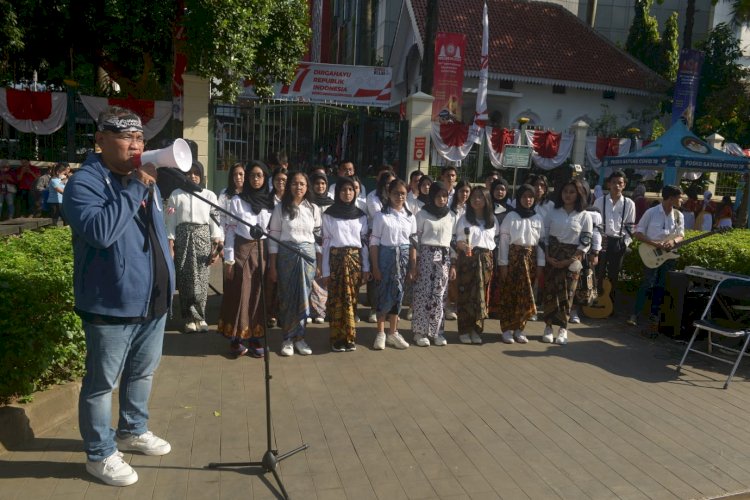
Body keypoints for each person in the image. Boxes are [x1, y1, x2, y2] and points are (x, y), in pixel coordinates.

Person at [62, 106, 174, 487]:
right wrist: (136, 188)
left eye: (140, 137)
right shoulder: (85, 183)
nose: (135, 144)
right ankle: (98, 453)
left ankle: (131, 429)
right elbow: (101, 232)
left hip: (152, 300)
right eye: (126, 137)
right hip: (111, 303)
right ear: (100, 140)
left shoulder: (145, 181)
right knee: (101, 384)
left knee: (143, 371)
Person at [218, 161, 274, 358]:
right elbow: (230, 230)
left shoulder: (270, 202)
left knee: (258, 294)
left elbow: (272, 231)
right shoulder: (237, 201)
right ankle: (236, 338)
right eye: (252, 176)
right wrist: (230, 258)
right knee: (240, 292)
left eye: (259, 175)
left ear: (265, 178)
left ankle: (255, 337)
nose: (255, 179)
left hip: (262, 251)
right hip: (242, 250)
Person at [165, 161, 223, 333]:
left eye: (196, 173)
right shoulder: (176, 195)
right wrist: (171, 243)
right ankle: (189, 319)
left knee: (202, 278)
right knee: (186, 279)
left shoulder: (209, 195)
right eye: (189, 173)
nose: (193, 176)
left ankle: (201, 317)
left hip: (203, 237)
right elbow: (170, 222)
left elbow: (215, 221)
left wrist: (217, 244)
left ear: (202, 175)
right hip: (183, 238)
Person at [268, 171, 322, 356]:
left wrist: (320, 263)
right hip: (286, 257)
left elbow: (318, 239)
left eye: (302, 184)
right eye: (295, 183)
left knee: (304, 296)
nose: (298, 187)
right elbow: (273, 238)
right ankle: (287, 339)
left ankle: (300, 338)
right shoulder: (279, 208)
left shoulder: (314, 208)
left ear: (307, 187)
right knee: (288, 297)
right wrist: (273, 265)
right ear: (289, 186)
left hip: (307, 258)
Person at [541, 178, 592, 345]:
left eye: (572, 192)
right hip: (552, 257)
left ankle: (563, 328)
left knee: (568, 294)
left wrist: (570, 259)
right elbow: (545, 236)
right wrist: (548, 256)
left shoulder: (585, 216)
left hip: (572, 260)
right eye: (565, 192)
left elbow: (585, 241)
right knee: (550, 292)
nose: (568, 195)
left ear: (578, 194)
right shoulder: (552, 212)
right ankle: (548, 327)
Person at [321, 177, 370, 351]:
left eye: (350, 190)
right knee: (336, 300)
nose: (347, 193)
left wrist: (366, 268)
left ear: (355, 192)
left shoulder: (360, 216)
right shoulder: (328, 214)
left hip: (354, 261)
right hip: (335, 261)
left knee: (351, 299)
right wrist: (325, 271)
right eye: (343, 190)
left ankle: (350, 338)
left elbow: (364, 243)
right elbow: (326, 243)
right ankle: (336, 339)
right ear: (337, 192)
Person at [627, 185, 685, 327]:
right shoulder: (651, 213)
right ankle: (635, 314)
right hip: (651, 254)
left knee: (661, 285)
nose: (681, 200)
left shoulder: (679, 215)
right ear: (671, 198)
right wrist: (656, 244)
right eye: (679, 198)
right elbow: (638, 233)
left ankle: (654, 315)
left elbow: (681, 235)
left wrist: (673, 241)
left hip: (668, 256)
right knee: (647, 283)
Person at [370, 178, 416, 350]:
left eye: (403, 193)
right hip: (385, 259)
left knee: (398, 295)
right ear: (389, 194)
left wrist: (412, 266)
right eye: (396, 193)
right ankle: (380, 333)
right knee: (383, 293)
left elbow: (413, 244)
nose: (399, 197)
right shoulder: (381, 217)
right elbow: (374, 243)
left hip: (403, 261)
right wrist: (375, 266)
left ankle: (393, 332)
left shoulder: (410, 218)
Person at [497, 184, 545, 344]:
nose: (528, 200)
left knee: (525, 295)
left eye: (531, 196)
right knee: (510, 294)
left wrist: (540, 265)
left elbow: (541, 244)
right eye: (524, 196)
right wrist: (503, 264)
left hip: (530, 261)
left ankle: (519, 329)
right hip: (513, 260)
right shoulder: (511, 216)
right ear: (518, 198)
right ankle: (507, 329)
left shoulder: (538, 218)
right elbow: (503, 242)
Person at [412, 181, 456, 346]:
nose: (442, 199)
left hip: (444, 259)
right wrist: (414, 264)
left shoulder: (451, 216)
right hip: (425, 257)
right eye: (438, 196)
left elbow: (453, 241)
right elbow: (415, 240)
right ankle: (420, 331)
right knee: (423, 294)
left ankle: (436, 331)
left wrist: (454, 265)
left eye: (444, 196)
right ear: (432, 196)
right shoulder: (422, 214)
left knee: (439, 295)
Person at [454, 186, 498, 344]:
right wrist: (463, 246)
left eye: (480, 197)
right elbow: (457, 240)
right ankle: (464, 330)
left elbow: (495, 241)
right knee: (466, 295)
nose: (476, 200)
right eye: (474, 197)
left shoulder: (492, 220)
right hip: (468, 260)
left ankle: (476, 330)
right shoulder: (464, 218)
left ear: (486, 200)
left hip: (485, 260)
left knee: (481, 296)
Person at [592, 171, 635, 315]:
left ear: (624, 185)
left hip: (618, 241)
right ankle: (593, 301)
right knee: (598, 272)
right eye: (614, 182)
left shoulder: (629, 203)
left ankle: (610, 306)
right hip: (602, 240)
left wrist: (625, 243)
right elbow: (595, 224)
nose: (617, 185)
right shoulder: (600, 201)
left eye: (620, 183)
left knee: (614, 275)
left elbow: (630, 226)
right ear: (608, 184)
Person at [364, 169, 397, 323]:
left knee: (391, 277)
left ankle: (389, 309)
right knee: (375, 274)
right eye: (388, 183)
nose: (390, 186)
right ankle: (373, 308)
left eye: (393, 183)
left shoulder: (396, 198)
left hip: (392, 240)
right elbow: (379, 216)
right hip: (377, 239)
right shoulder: (373, 197)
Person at [309, 172, 334, 323]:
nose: (320, 186)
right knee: (314, 277)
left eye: (323, 184)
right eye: (317, 183)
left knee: (327, 276)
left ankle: (326, 310)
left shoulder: (332, 203)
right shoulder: (308, 202)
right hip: (312, 243)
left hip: (328, 245)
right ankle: (315, 311)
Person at [217, 162, 245, 235]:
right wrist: (221, 237)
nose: (238, 177)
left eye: (241, 174)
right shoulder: (225, 193)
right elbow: (221, 216)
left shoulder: (250, 194)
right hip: (228, 234)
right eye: (235, 174)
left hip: (245, 235)